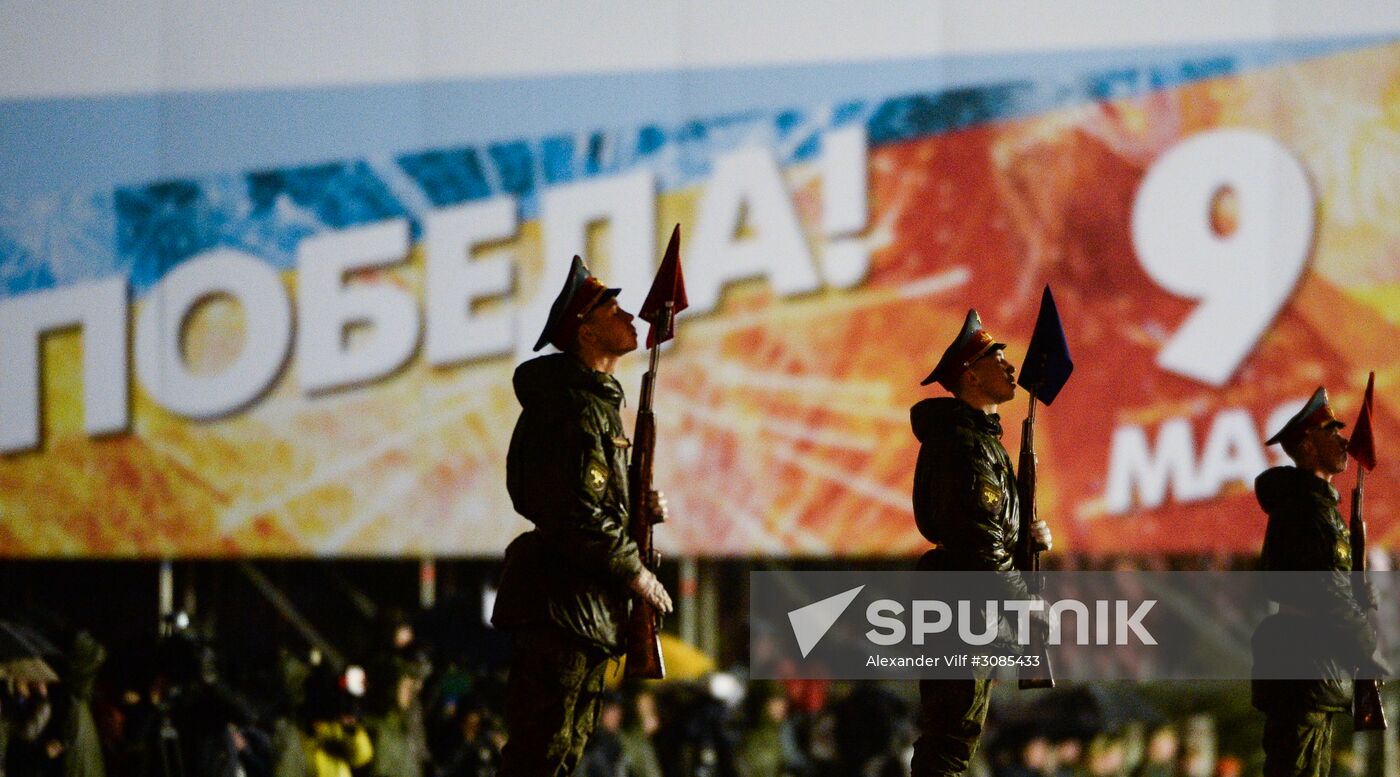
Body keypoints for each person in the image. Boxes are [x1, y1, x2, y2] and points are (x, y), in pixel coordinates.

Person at [491, 256, 674, 775]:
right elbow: (574, 510)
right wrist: (635, 571)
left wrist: (639, 504)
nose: (629, 317)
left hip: (583, 607)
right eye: (611, 308)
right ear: (584, 330)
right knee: (542, 753)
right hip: (561, 605)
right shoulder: (572, 408)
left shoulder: (593, 405)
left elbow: (594, 500)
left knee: (564, 751)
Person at [909, 309, 1052, 777]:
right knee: (951, 739)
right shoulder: (963, 444)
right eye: (997, 358)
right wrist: (1023, 603)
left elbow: (990, 532)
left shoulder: (978, 440)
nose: (1011, 367)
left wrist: (1024, 536)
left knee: (954, 736)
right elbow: (979, 545)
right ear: (970, 375)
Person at [1251, 387, 1383, 777]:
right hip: (1303, 660)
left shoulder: (1316, 506)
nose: (1343, 440)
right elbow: (1332, 592)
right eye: (1331, 431)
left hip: (1311, 660)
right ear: (1307, 447)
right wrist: (1366, 644)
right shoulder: (1308, 510)